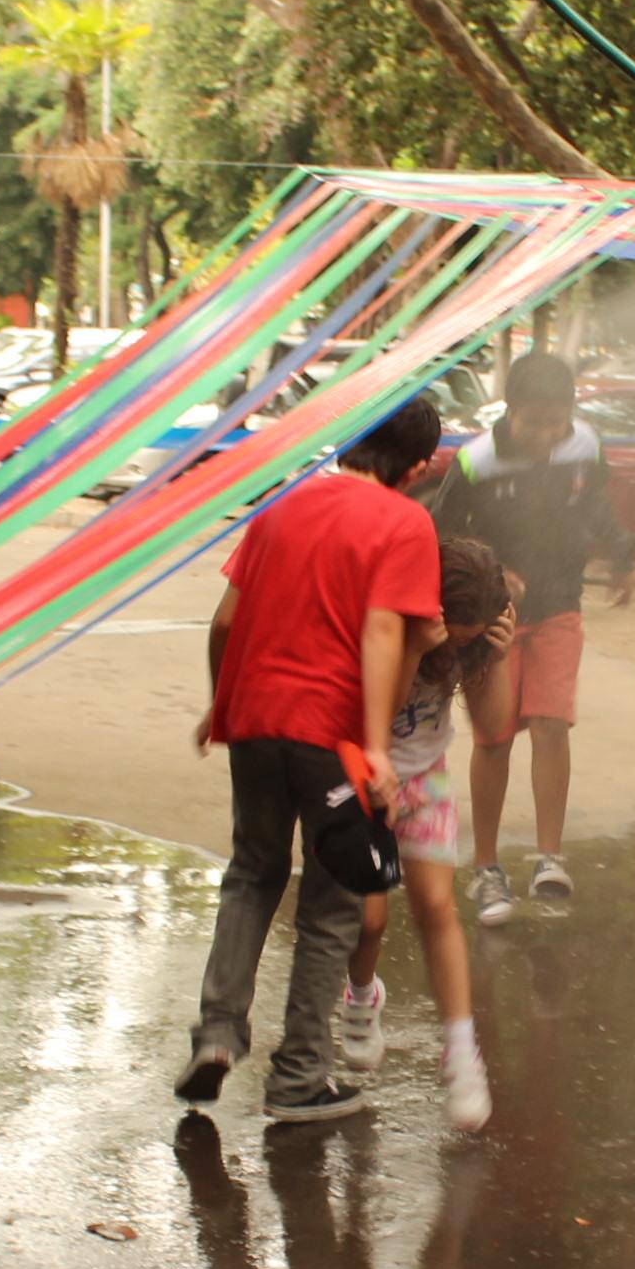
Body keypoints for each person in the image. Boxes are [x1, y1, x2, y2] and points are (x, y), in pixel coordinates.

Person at [182, 398, 445, 1124]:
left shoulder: (282, 504)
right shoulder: (405, 523)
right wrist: (375, 750)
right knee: (332, 905)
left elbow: (226, 621)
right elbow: (386, 631)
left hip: (256, 720)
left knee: (252, 873)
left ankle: (216, 1034)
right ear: (417, 467)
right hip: (330, 736)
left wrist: (221, 702)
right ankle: (299, 1077)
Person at [430, 352, 628, 925]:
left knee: (550, 723)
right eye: (535, 422)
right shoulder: (476, 463)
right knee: (494, 737)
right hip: (494, 620)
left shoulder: (583, 446)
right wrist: (491, 570)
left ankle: (549, 857)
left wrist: (620, 554)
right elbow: (441, 536)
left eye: (556, 422)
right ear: (510, 411)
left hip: (561, 606)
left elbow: (595, 502)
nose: (546, 435)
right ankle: (487, 869)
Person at [339, 535, 515, 1132]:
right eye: (455, 633)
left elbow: (493, 730)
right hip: (367, 775)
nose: (458, 644)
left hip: (426, 780)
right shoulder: (392, 625)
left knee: (437, 907)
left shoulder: (475, 641)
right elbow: (376, 713)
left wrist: (495, 658)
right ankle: (361, 997)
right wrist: (417, 647)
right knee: (369, 921)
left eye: (472, 634)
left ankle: (463, 1054)